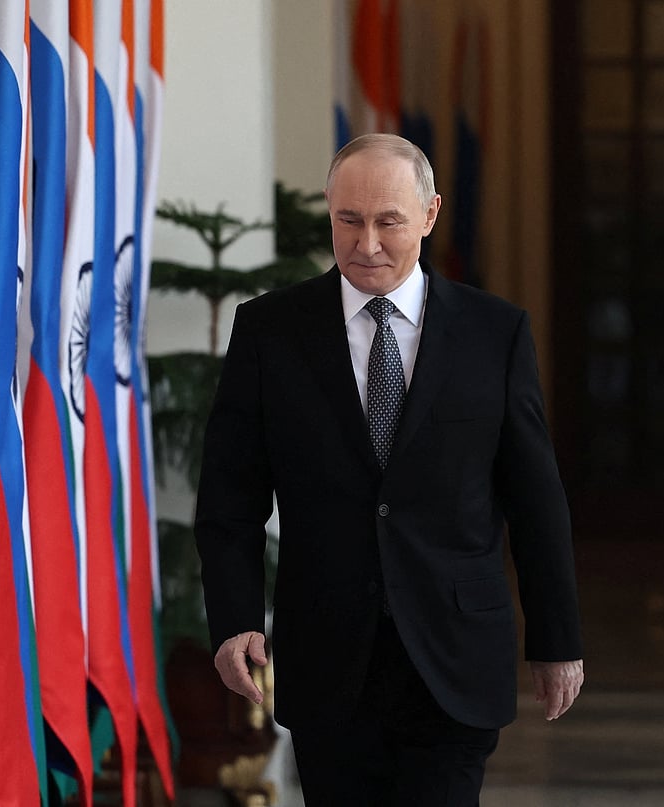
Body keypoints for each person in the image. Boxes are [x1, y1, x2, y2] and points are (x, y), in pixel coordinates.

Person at [194, 133, 584, 805]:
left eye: (388, 221)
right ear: (330, 210)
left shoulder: (495, 334)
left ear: (429, 215)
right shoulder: (270, 333)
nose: (366, 242)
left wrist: (556, 638)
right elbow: (230, 496)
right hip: (327, 658)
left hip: (455, 654)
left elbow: (535, 498)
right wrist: (234, 618)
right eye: (349, 220)